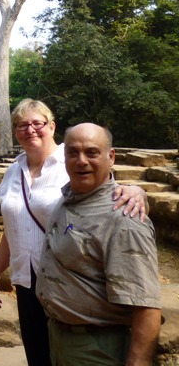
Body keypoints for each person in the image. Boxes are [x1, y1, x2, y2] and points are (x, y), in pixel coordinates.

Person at [0, 99, 148, 366]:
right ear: (15, 131)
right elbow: (12, 228)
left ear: (52, 126)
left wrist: (138, 191)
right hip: (27, 281)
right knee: (37, 355)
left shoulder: (71, 162)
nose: (30, 130)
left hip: (67, 282)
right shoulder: (13, 172)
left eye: (38, 123)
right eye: (22, 125)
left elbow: (109, 195)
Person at [36, 123, 161, 366]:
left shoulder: (123, 219)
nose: (81, 161)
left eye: (92, 152)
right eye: (73, 152)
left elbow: (146, 305)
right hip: (60, 337)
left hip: (98, 347)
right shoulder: (69, 198)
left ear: (110, 157)